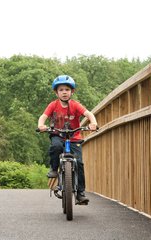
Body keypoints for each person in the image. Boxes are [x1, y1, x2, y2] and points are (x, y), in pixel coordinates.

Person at [37, 75, 97, 204]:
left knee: (79, 163)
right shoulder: (53, 105)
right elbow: (44, 116)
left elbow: (88, 114)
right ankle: (54, 168)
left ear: (72, 92)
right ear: (56, 92)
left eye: (67, 90)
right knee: (56, 147)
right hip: (58, 134)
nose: (64, 92)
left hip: (74, 137)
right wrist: (41, 125)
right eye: (61, 90)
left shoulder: (75, 105)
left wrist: (93, 123)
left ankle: (80, 193)